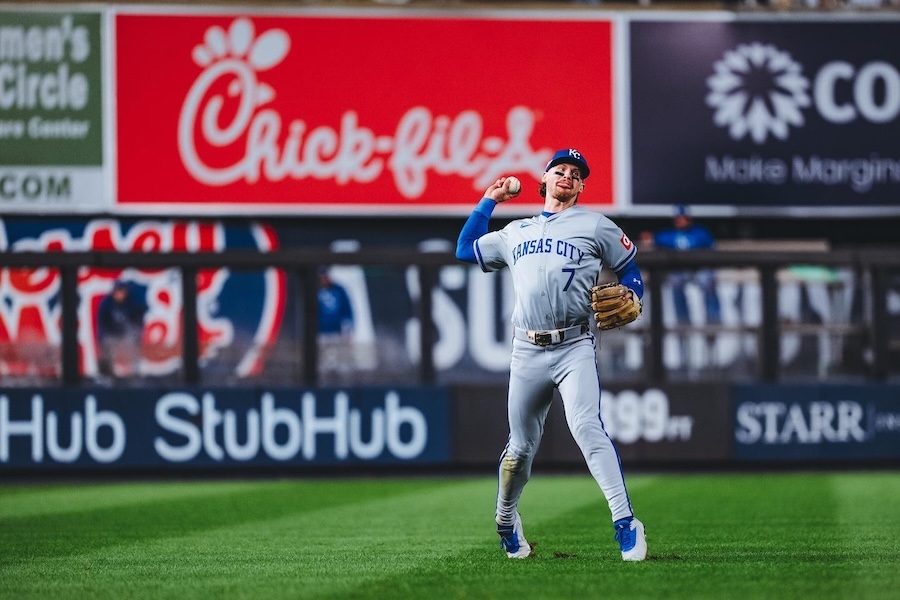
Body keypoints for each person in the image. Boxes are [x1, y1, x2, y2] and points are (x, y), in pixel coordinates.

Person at [455, 148, 648, 561]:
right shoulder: (515, 232)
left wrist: (635, 293)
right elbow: (465, 248)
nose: (567, 176)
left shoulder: (596, 225)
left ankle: (625, 523)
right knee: (521, 448)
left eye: (576, 173)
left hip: (575, 345)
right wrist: (490, 199)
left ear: (581, 186)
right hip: (526, 349)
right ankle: (506, 520)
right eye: (559, 170)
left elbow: (631, 268)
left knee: (586, 427)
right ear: (544, 180)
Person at [645, 205, 721, 326]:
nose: (680, 221)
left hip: (698, 270)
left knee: (707, 280)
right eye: (678, 218)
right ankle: (683, 323)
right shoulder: (669, 234)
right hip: (680, 272)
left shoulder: (700, 233)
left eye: (683, 218)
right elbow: (651, 239)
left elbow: (712, 251)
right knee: (675, 282)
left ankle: (714, 322)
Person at [96, 280, 147, 379]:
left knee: (132, 342)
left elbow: (138, 323)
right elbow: (102, 325)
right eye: (117, 291)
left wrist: (136, 336)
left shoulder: (132, 303)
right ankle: (106, 375)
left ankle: (134, 373)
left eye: (121, 291)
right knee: (107, 345)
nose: (119, 294)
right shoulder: (106, 304)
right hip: (112, 334)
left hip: (128, 336)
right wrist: (104, 338)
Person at [317, 267, 355, 383]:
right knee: (323, 363)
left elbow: (347, 309)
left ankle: (343, 384)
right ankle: (322, 383)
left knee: (342, 361)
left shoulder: (339, 290)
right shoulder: (315, 290)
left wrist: (348, 328)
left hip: (337, 331)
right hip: (322, 332)